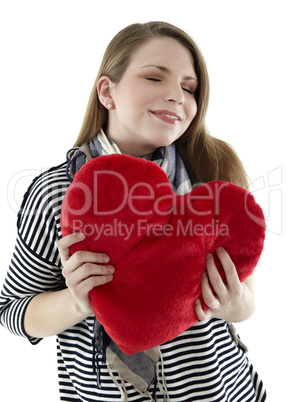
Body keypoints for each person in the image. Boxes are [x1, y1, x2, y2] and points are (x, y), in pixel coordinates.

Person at [0, 21, 266, 401]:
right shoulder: (59, 193)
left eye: (189, 88)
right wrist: (76, 301)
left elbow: (246, 299)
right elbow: (13, 311)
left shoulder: (214, 174)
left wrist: (237, 304)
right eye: (155, 78)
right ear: (107, 92)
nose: (177, 96)